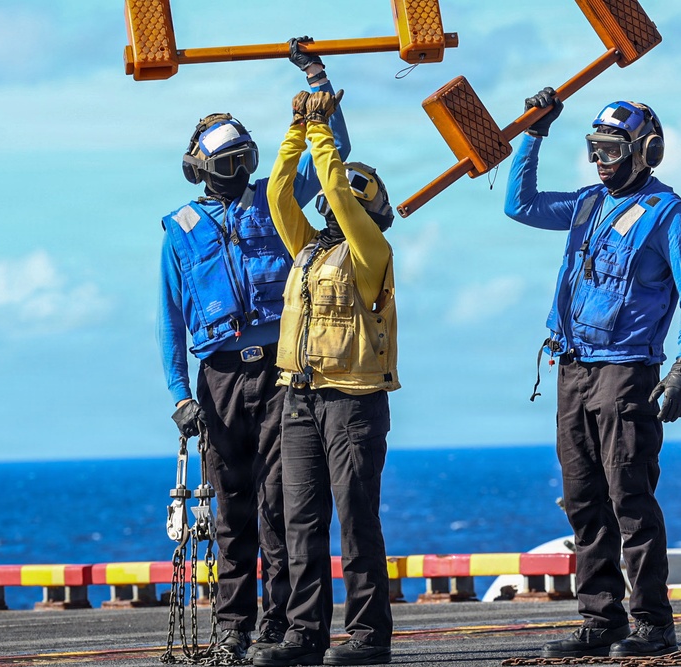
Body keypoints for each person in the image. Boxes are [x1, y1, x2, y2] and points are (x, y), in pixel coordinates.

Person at [156, 38, 351, 661]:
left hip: (280, 374)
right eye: (227, 161)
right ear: (200, 167)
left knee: (281, 504)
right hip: (217, 381)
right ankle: (232, 627)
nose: (239, 169)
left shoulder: (275, 197)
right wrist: (179, 395)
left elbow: (334, 153)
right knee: (230, 508)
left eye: (245, 157)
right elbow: (169, 320)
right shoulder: (180, 231)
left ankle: (277, 625)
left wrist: (317, 80)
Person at [504, 88, 681, 659]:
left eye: (612, 149)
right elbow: (519, 205)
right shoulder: (587, 203)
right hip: (572, 369)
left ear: (647, 151)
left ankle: (653, 625)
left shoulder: (667, 213)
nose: (600, 159)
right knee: (583, 499)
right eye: (594, 147)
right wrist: (534, 133)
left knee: (630, 499)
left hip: (626, 372)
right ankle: (601, 621)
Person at [252, 89, 398, 667]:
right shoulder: (309, 250)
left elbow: (336, 189)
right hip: (298, 396)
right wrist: (295, 128)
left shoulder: (371, 251)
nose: (338, 211)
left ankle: (368, 636)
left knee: (357, 518)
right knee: (300, 522)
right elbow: (277, 193)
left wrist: (319, 130)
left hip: (353, 402)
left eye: (351, 206)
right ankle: (304, 635)